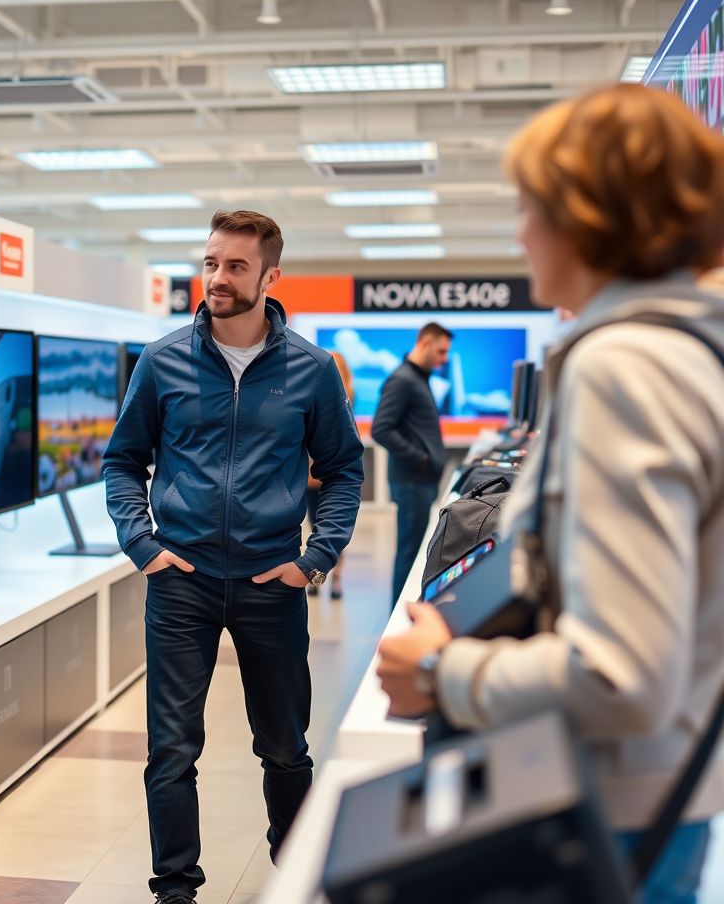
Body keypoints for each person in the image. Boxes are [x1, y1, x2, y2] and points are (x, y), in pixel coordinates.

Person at [376, 83, 724, 904]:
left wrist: (443, 670)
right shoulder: (693, 351)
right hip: (665, 797)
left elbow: (621, 675)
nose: (520, 228)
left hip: (606, 807)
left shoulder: (625, 366)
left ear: (587, 214)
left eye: (530, 203)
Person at [103, 209, 364, 904]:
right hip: (180, 581)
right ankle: (175, 891)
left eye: (235, 266)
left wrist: (315, 559)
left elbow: (343, 469)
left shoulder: (310, 370)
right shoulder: (162, 361)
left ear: (271, 276)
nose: (217, 278)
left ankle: (299, 869)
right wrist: (142, 543)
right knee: (171, 749)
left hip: (270, 580)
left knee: (284, 746)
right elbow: (123, 460)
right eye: (211, 262)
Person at [370, 323, 452, 608]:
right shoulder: (403, 380)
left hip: (420, 481)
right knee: (410, 552)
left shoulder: (418, 378)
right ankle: (400, 617)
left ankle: (405, 612)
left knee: (415, 552)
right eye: (441, 352)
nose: (444, 359)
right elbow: (381, 429)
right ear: (425, 343)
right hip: (412, 480)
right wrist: (421, 458)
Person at [307, 350, 356, 599]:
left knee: (332, 526)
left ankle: (332, 578)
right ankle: (318, 576)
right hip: (311, 476)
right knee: (317, 525)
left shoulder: (344, 396)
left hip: (327, 472)